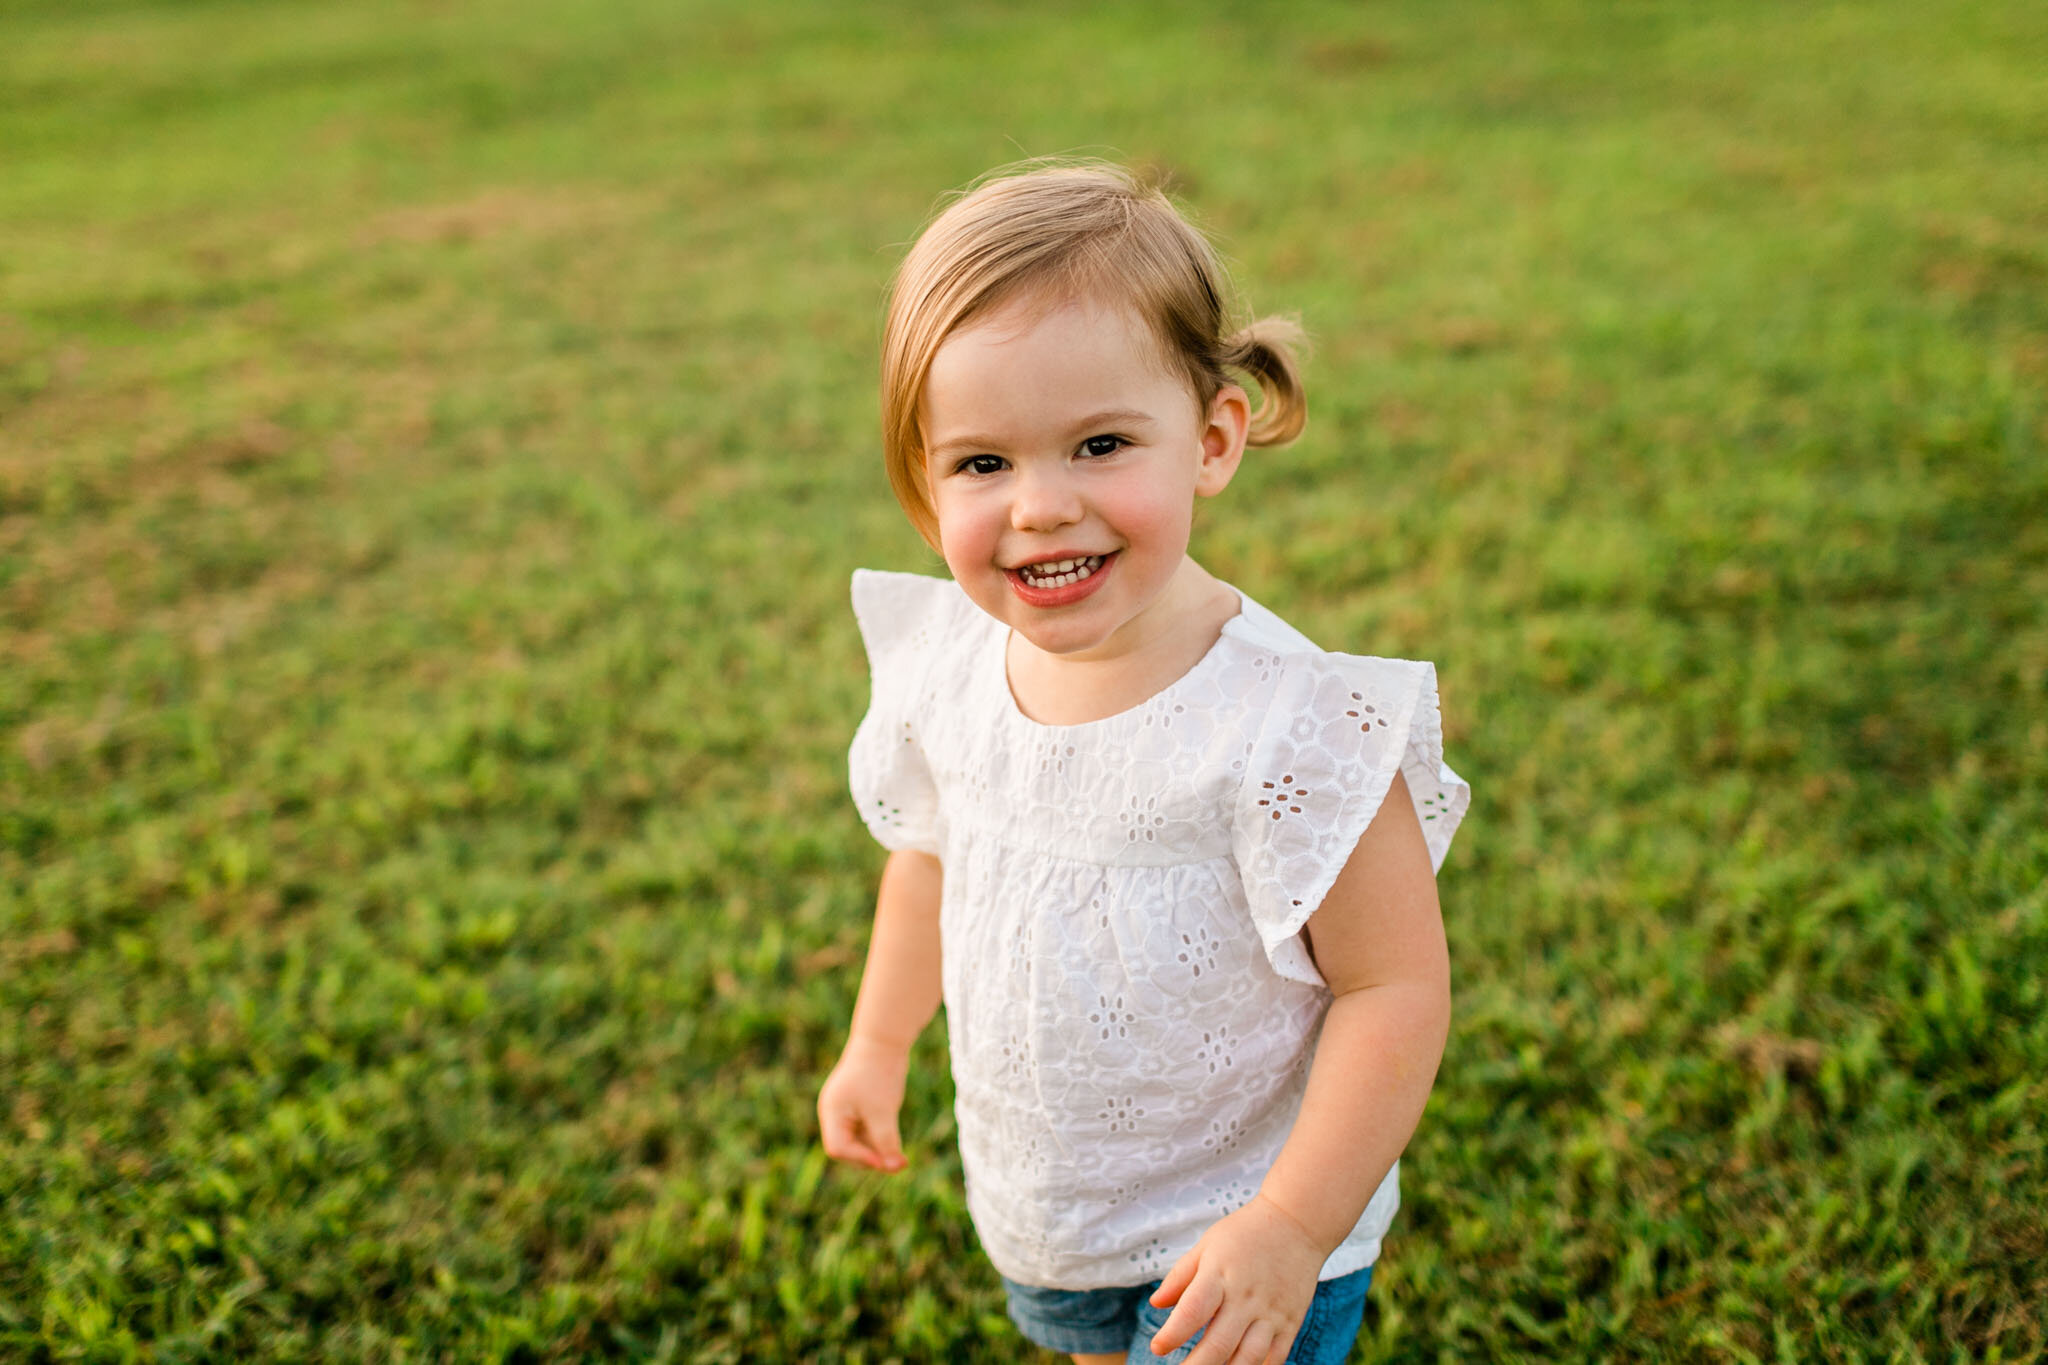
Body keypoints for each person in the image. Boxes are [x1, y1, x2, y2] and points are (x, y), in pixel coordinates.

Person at [817, 160, 1470, 1365]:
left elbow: (1394, 990)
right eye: (981, 464)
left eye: (1100, 443)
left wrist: (1287, 1225)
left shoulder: (1289, 726)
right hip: (1051, 1211)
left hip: (1246, 1229)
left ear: (1212, 439)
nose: (1041, 507)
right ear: (921, 479)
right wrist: (877, 1040)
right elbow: (929, 865)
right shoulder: (952, 670)